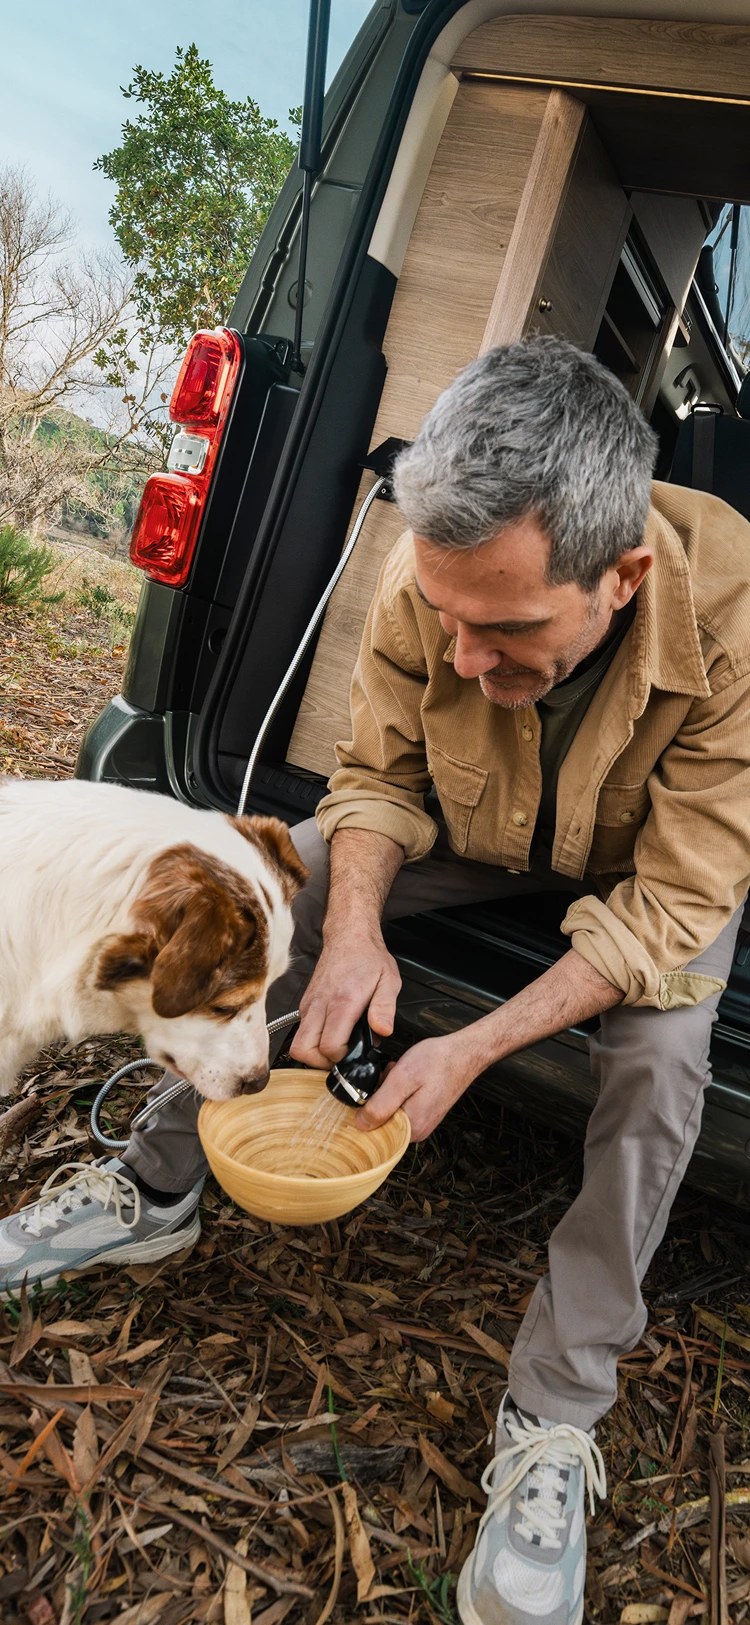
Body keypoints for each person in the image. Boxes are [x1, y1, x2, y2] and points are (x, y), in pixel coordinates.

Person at [4, 336, 750, 1625]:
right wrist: (350, 930)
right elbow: (375, 782)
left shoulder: (739, 612)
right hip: (471, 835)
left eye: (507, 630)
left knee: (663, 1052)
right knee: (279, 882)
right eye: (446, 618)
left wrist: (471, 1046)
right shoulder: (441, 570)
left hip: (642, 875)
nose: (463, 660)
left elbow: (674, 907)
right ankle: (156, 1186)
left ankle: (557, 1409)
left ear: (621, 577)